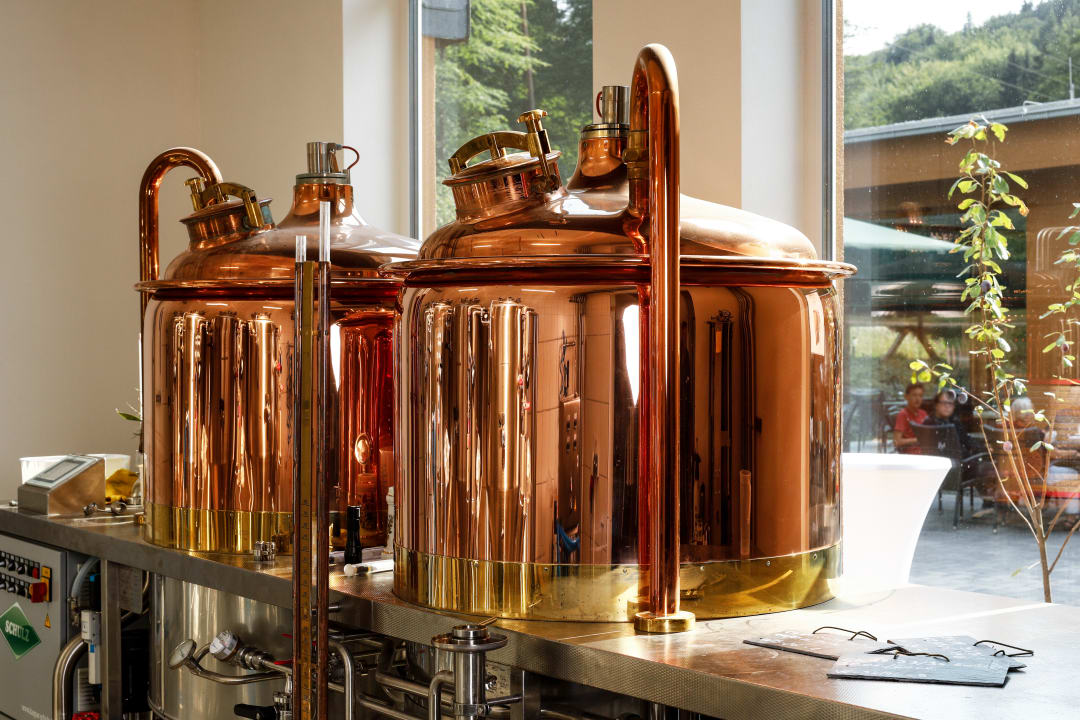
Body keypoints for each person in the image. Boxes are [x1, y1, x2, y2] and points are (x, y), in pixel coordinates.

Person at [893, 383, 927, 454]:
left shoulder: (923, 413)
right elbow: (896, 441)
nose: (917, 399)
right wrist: (917, 440)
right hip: (911, 454)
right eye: (914, 395)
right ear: (906, 397)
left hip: (925, 452)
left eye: (920, 396)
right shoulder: (903, 414)